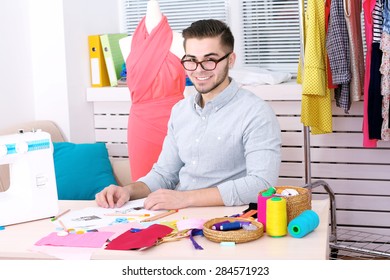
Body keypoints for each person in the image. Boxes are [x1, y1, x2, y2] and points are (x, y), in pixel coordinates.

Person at [95, 19, 282, 210]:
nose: (199, 70)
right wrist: (127, 191)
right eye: (191, 60)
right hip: (178, 215)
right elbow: (164, 174)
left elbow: (262, 185)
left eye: (210, 60)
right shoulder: (180, 111)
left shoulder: (256, 112)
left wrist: (185, 198)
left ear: (230, 60)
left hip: (227, 221)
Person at [121, 0, 186, 181]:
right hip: (141, 124)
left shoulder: (180, 40)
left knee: (180, 181)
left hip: (175, 118)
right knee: (144, 183)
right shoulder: (126, 43)